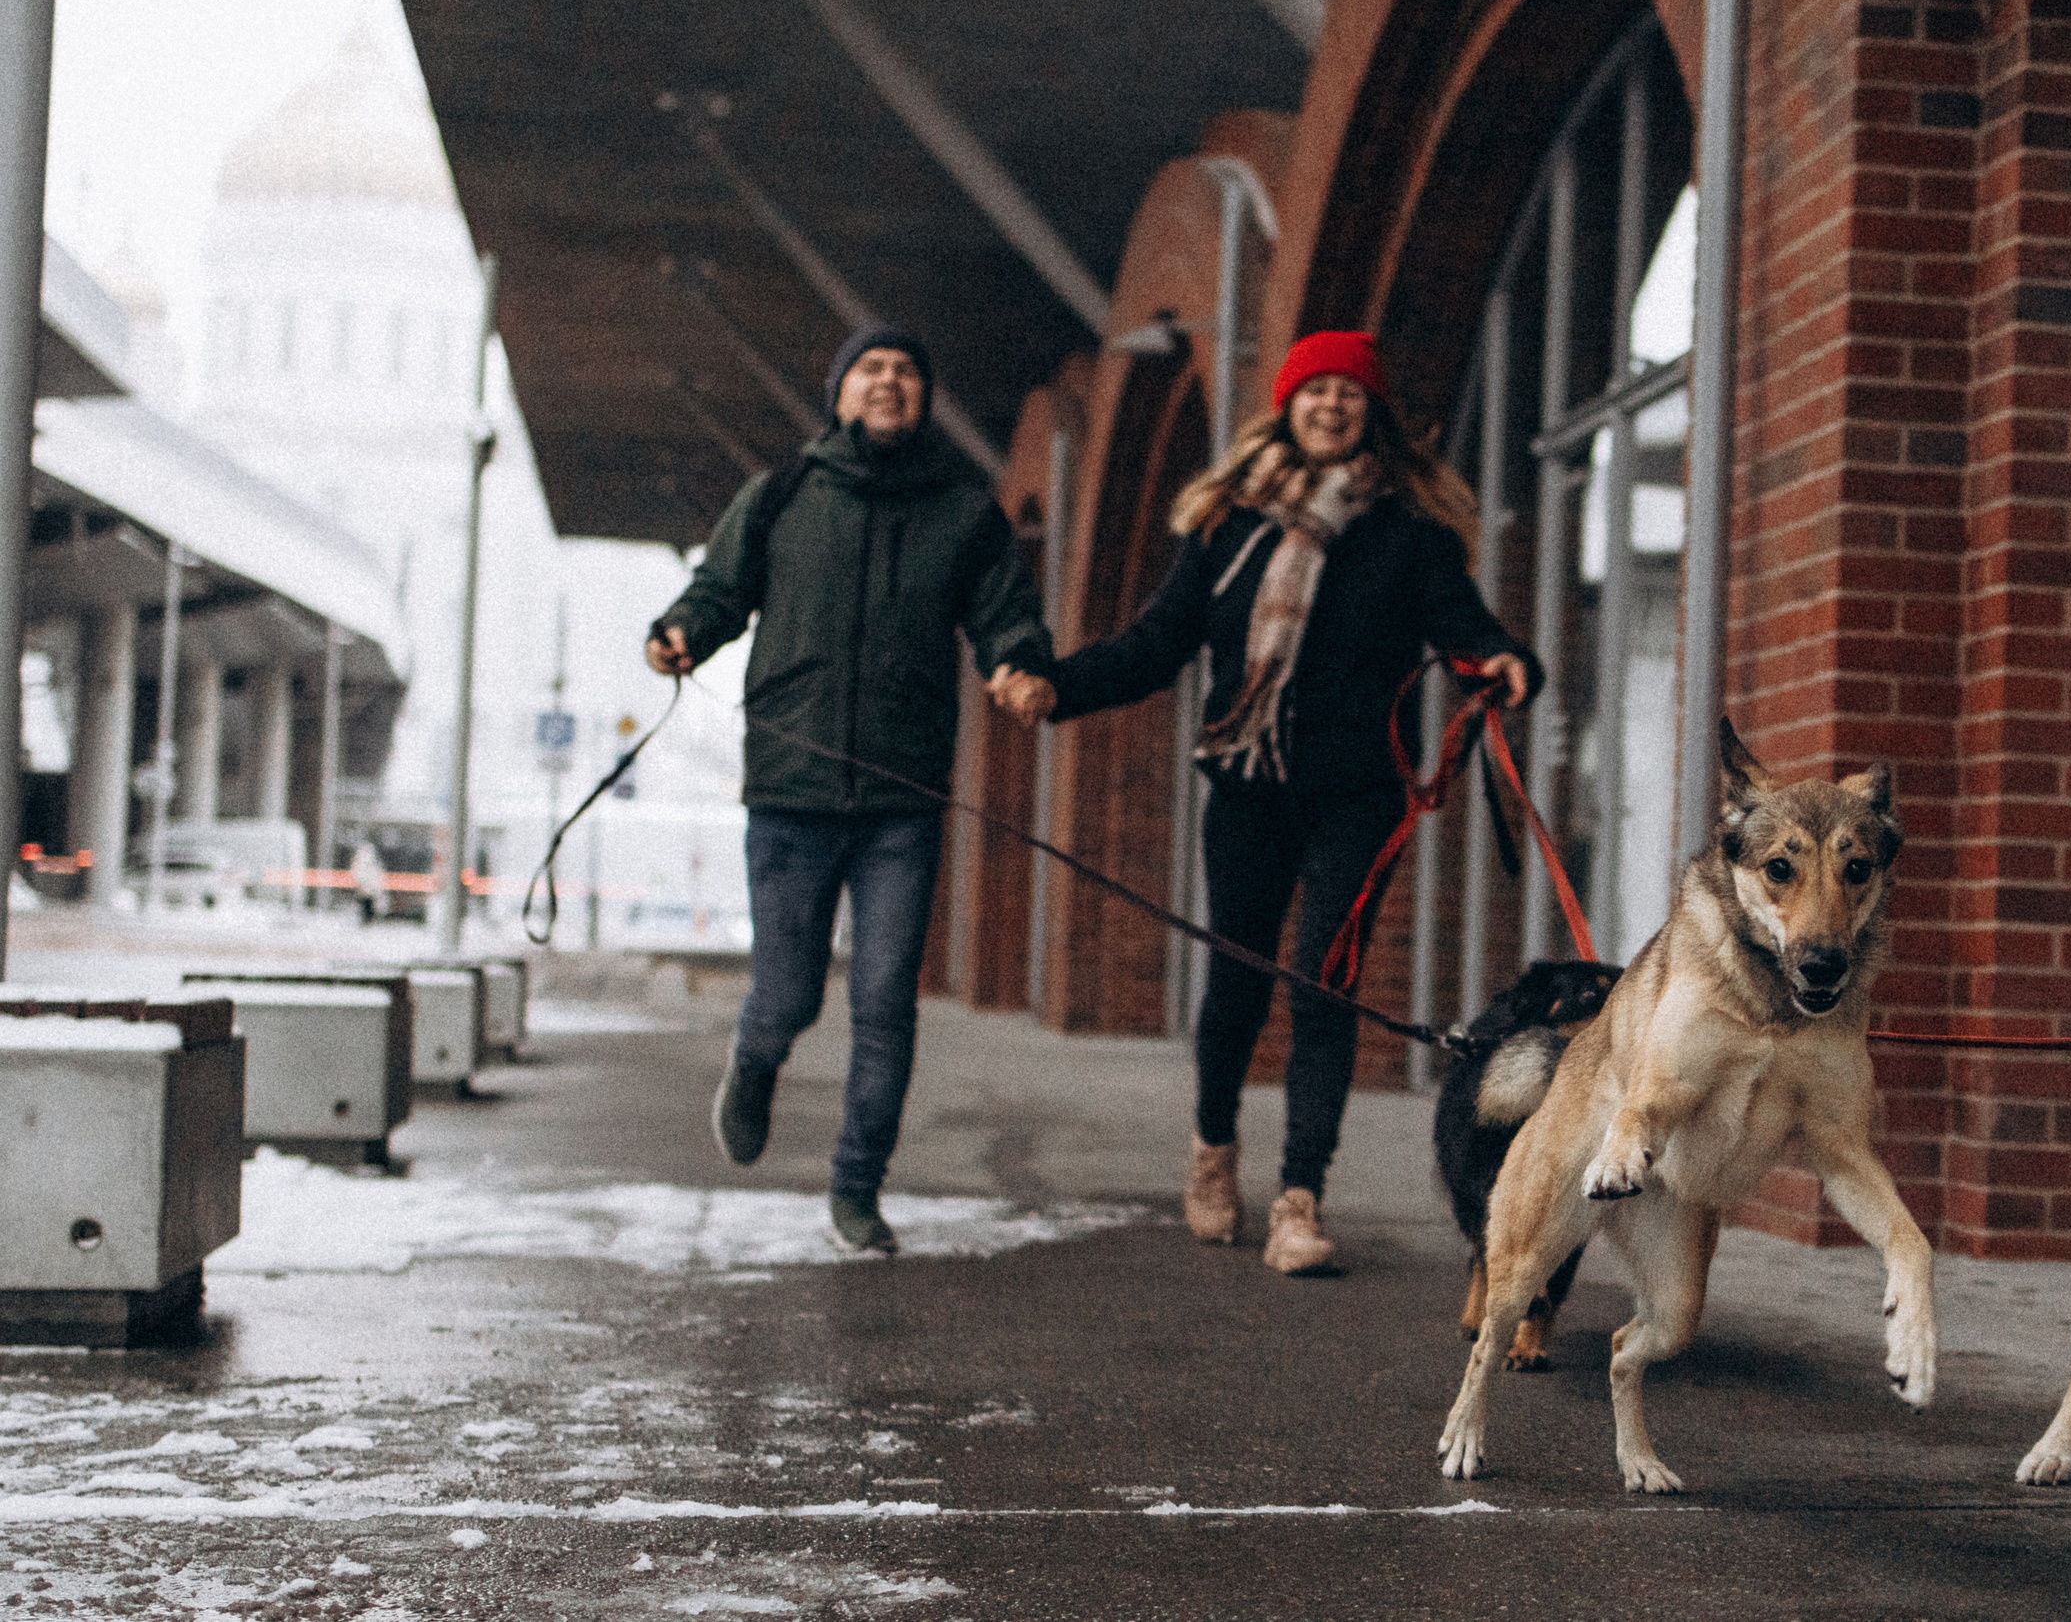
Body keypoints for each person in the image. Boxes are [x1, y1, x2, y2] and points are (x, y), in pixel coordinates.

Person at [990, 331, 1537, 1276]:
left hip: (1357, 800)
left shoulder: (1411, 538)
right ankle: (1212, 1154)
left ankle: (1299, 1198)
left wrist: (1505, 657)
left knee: (1322, 990)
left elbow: (1465, 627)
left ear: (1373, 413)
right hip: (1246, 791)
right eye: (1315, 390)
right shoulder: (1228, 532)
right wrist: (1057, 687)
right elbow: (1154, 646)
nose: (1332, 405)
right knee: (1237, 985)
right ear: (1287, 405)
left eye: (1350, 393)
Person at [648, 326, 1052, 1256]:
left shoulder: (961, 508)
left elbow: (1006, 614)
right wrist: (678, 631)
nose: (890, 382)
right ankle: (756, 1060)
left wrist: (1020, 666)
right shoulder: (784, 493)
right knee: (788, 992)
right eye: (871, 369)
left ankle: (857, 1190)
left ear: (924, 398)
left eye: (908, 370)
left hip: (902, 801)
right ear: (839, 395)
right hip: (790, 790)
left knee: (884, 1001)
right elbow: (718, 591)